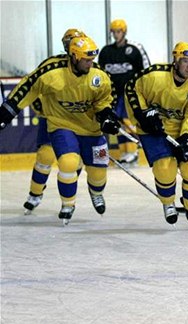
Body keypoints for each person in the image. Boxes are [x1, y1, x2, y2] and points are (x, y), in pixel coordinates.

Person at [0, 36, 120, 224]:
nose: (90, 64)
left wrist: (106, 115)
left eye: (92, 59)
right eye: (86, 60)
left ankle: (96, 192)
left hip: (90, 129)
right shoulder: (51, 71)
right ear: (73, 56)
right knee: (66, 161)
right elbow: (28, 87)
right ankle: (67, 204)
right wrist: (7, 111)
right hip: (61, 124)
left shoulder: (99, 76)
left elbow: (106, 99)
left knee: (98, 174)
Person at [124, 42, 188, 229]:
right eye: (186, 61)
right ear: (176, 60)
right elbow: (132, 87)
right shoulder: (155, 76)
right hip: (152, 130)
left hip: (180, 129)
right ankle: (168, 203)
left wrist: (187, 139)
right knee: (165, 168)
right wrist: (143, 114)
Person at [22, 28, 87, 215]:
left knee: (74, 161)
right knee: (45, 155)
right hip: (52, 118)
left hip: (77, 121)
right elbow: (32, 84)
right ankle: (35, 194)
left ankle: (68, 194)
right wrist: (38, 105)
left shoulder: (88, 66)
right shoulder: (52, 64)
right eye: (68, 43)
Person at [99, 19, 150, 166]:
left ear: (124, 31)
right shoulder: (106, 51)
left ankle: (133, 151)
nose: (116, 35)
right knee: (118, 123)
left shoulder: (134, 49)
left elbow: (145, 70)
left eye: (118, 31)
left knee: (128, 120)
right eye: (113, 31)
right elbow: (100, 73)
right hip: (113, 94)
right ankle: (125, 152)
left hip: (130, 93)